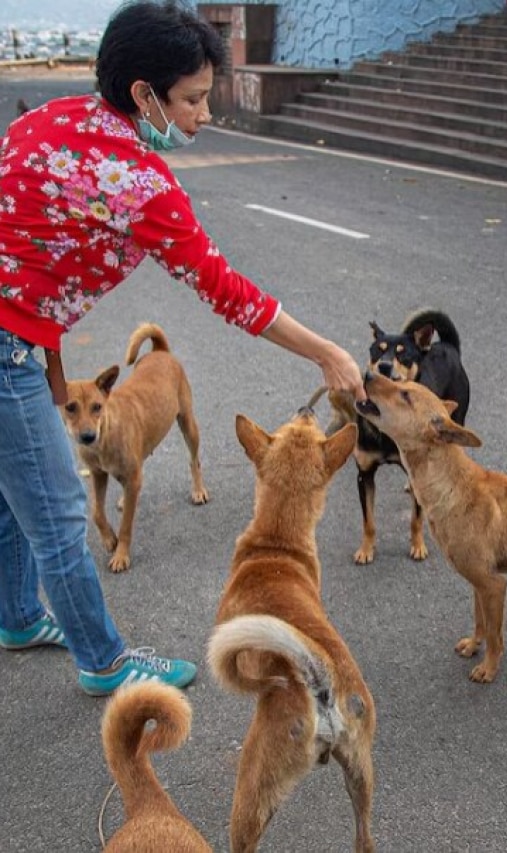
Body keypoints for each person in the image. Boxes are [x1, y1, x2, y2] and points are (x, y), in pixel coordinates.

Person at [0, 0, 365, 697]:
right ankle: (105, 662)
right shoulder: (142, 184)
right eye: (193, 100)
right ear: (144, 94)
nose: (203, 116)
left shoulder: (42, 122)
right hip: (6, 349)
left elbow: (18, 256)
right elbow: (230, 293)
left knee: (9, 493)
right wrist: (324, 353)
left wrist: (48, 360)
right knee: (57, 514)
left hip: (17, 339)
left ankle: (16, 615)